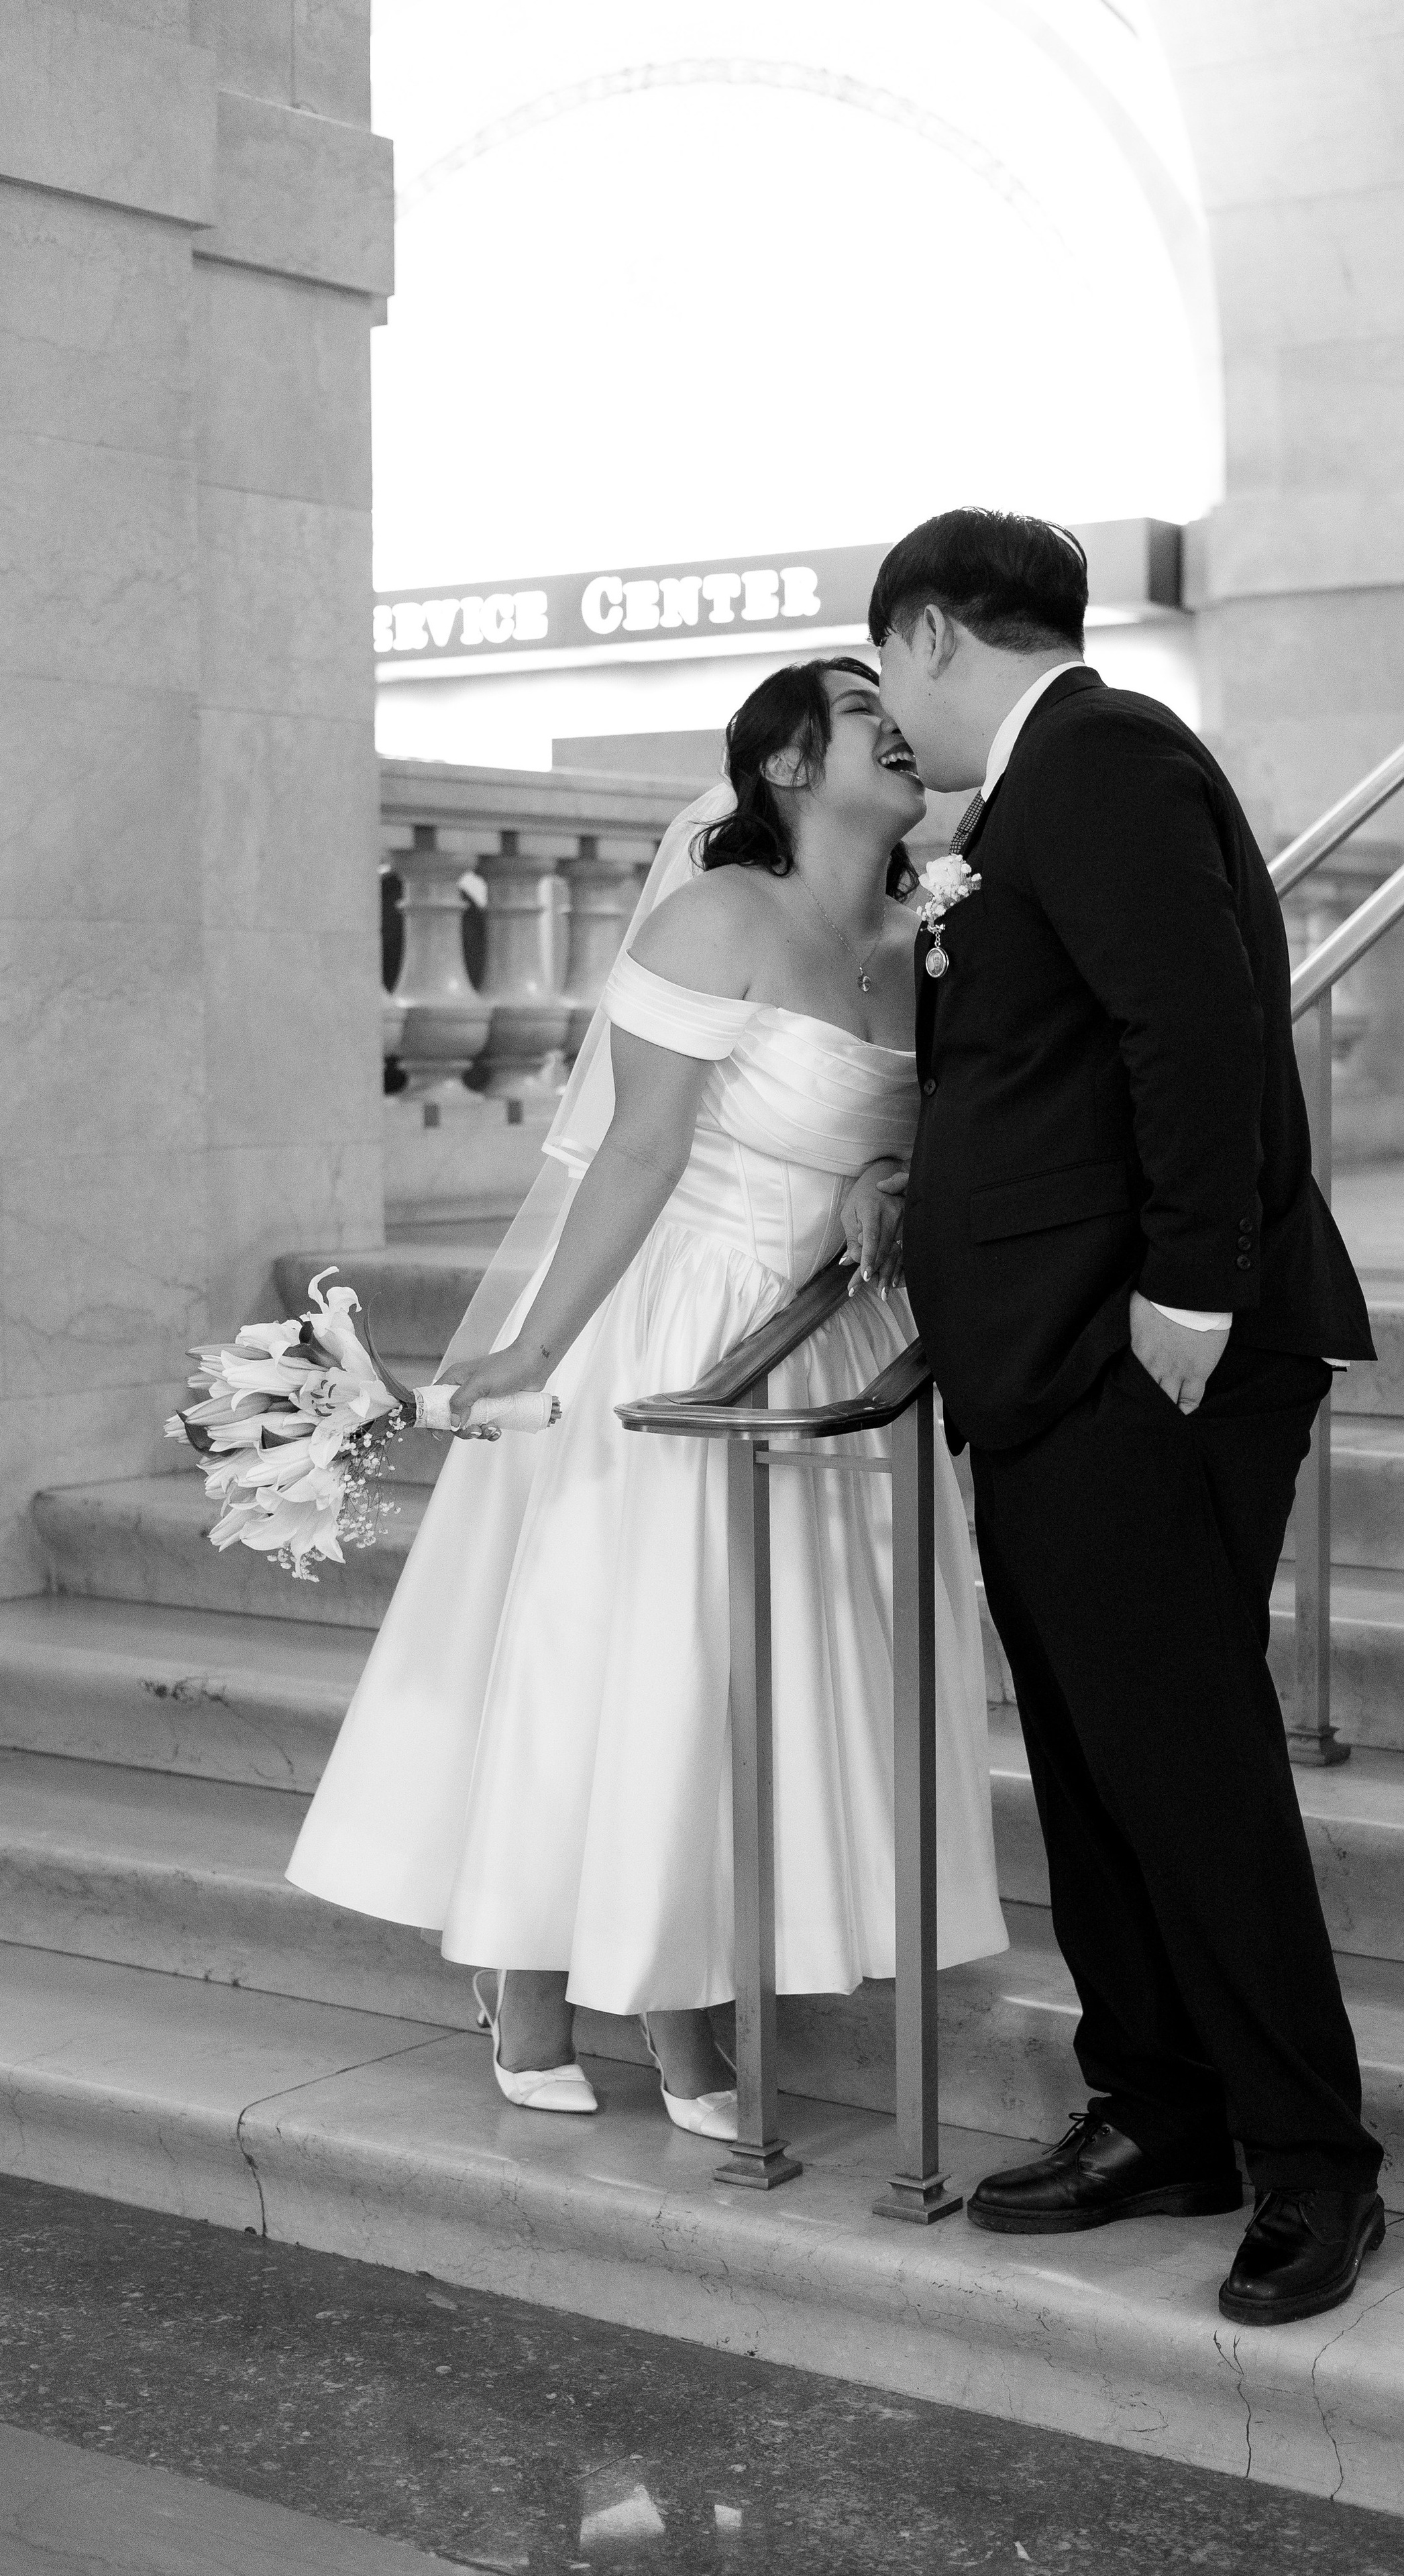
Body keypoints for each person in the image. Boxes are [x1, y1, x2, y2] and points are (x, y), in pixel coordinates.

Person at [286, 657, 1006, 2135]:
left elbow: (975, 1109)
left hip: (838, 1339)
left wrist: (896, 1169)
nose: (904, 736)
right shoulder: (715, 917)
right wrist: (536, 1351)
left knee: (782, 1666)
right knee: (656, 1660)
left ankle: (701, 1975)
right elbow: (636, 1152)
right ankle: (581, 1989)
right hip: (685, 1325)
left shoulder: (932, 925)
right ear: (794, 767)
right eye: (870, 721)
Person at [871, 508, 1383, 2326]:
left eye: (886, 671)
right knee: (1096, 1765)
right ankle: (1161, 2110)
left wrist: (1189, 1297)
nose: (887, 713)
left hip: (1140, 1361)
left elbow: (1200, 1028)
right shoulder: (1024, 801)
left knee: (1187, 1768)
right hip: (1053, 1364)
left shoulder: (1098, 758)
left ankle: (1313, 2163)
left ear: (932, 631)